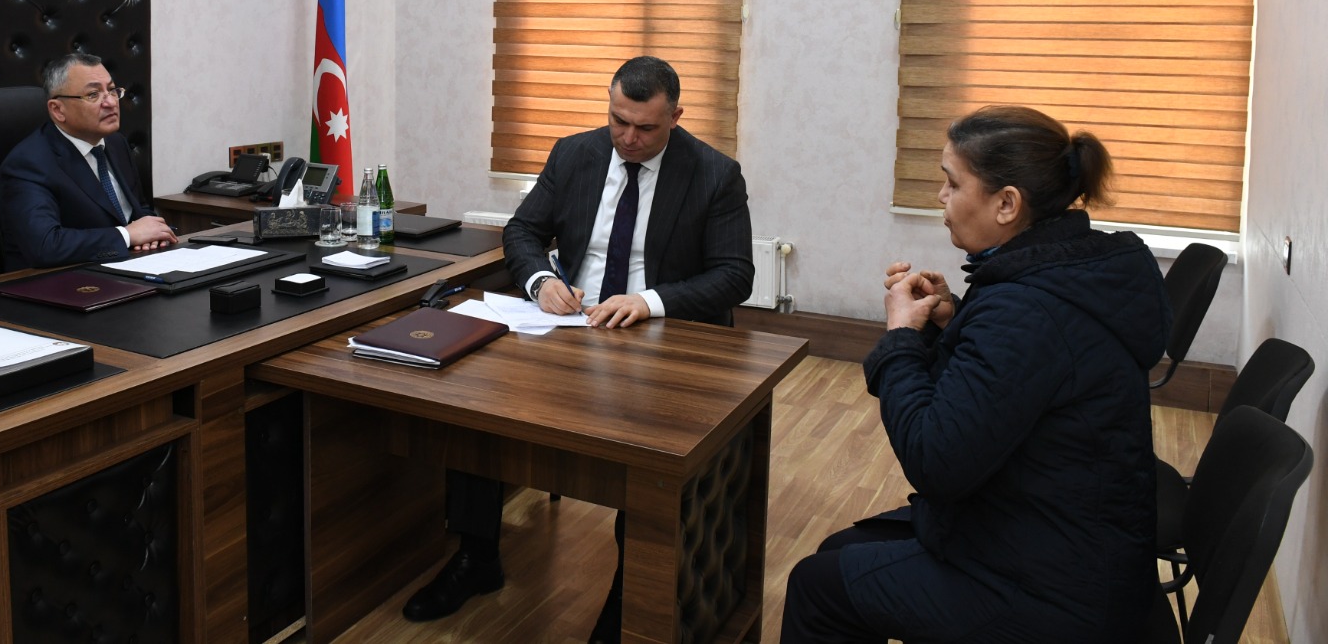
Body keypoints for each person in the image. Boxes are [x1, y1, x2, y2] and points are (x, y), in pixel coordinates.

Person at [780, 106, 1171, 644]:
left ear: (1007, 203)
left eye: (952, 182)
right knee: (838, 554)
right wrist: (952, 322)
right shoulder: (1069, 270)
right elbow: (1019, 377)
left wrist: (901, 338)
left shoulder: (1025, 308)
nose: (940, 196)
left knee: (816, 588)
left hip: (1053, 592)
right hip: (1072, 545)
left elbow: (935, 461)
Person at [402, 55, 754, 642]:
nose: (629, 138)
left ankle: (628, 594)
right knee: (476, 409)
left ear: (676, 118)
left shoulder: (715, 174)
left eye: (645, 128)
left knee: (644, 460)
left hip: (658, 339)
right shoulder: (574, 154)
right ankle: (477, 554)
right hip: (566, 326)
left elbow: (735, 274)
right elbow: (523, 230)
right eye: (619, 121)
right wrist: (541, 281)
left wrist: (650, 300)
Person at [0, 53, 177, 270]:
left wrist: (152, 235)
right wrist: (126, 236)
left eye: (112, 90)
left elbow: (138, 210)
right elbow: (45, 245)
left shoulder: (116, 143)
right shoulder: (29, 163)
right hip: (60, 281)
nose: (111, 102)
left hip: (127, 267)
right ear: (58, 110)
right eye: (93, 94)